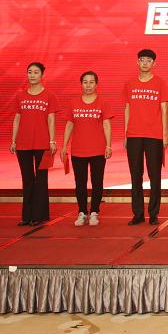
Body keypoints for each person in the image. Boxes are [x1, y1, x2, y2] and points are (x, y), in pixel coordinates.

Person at [123, 48, 168, 226]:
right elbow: (127, 109)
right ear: (137, 62)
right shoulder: (130, 83)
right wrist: (126, 134)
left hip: (154, 135)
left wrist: (164, 134)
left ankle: (153, 213)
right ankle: (138, 213)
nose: (145, 63)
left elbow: (164, 110)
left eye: (148, 60)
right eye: (142, 59)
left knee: (154, 175)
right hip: (134, 134)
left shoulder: (160, 83)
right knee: (135, 175)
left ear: (154, 63)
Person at [10, 62, 60, 226]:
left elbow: (51, 120)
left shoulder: (49, 95)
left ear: (42, 75)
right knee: (27, 180)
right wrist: (13, 141)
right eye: (30, 72)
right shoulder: (20, 96)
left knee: (41, 179)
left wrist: (52, 141)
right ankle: (27, 216)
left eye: (36, 72)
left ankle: (39, 215)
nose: (32, 75)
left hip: (43, 144)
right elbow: (17, 119)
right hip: (23, 144)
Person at [60, 71, 112, 226]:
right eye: (85, 82)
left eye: (91, 82)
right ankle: (82, 212)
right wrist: (64, 146)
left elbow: (106, 125)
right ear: (81, 84)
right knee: (80, 183)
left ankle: (94, 212)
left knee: (97, 182)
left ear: (96, 84)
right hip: (78, 150)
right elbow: (69, 125)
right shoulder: (74, 103)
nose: (88, 85)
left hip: (98, 150)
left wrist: (108, 145)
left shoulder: (103, 102)